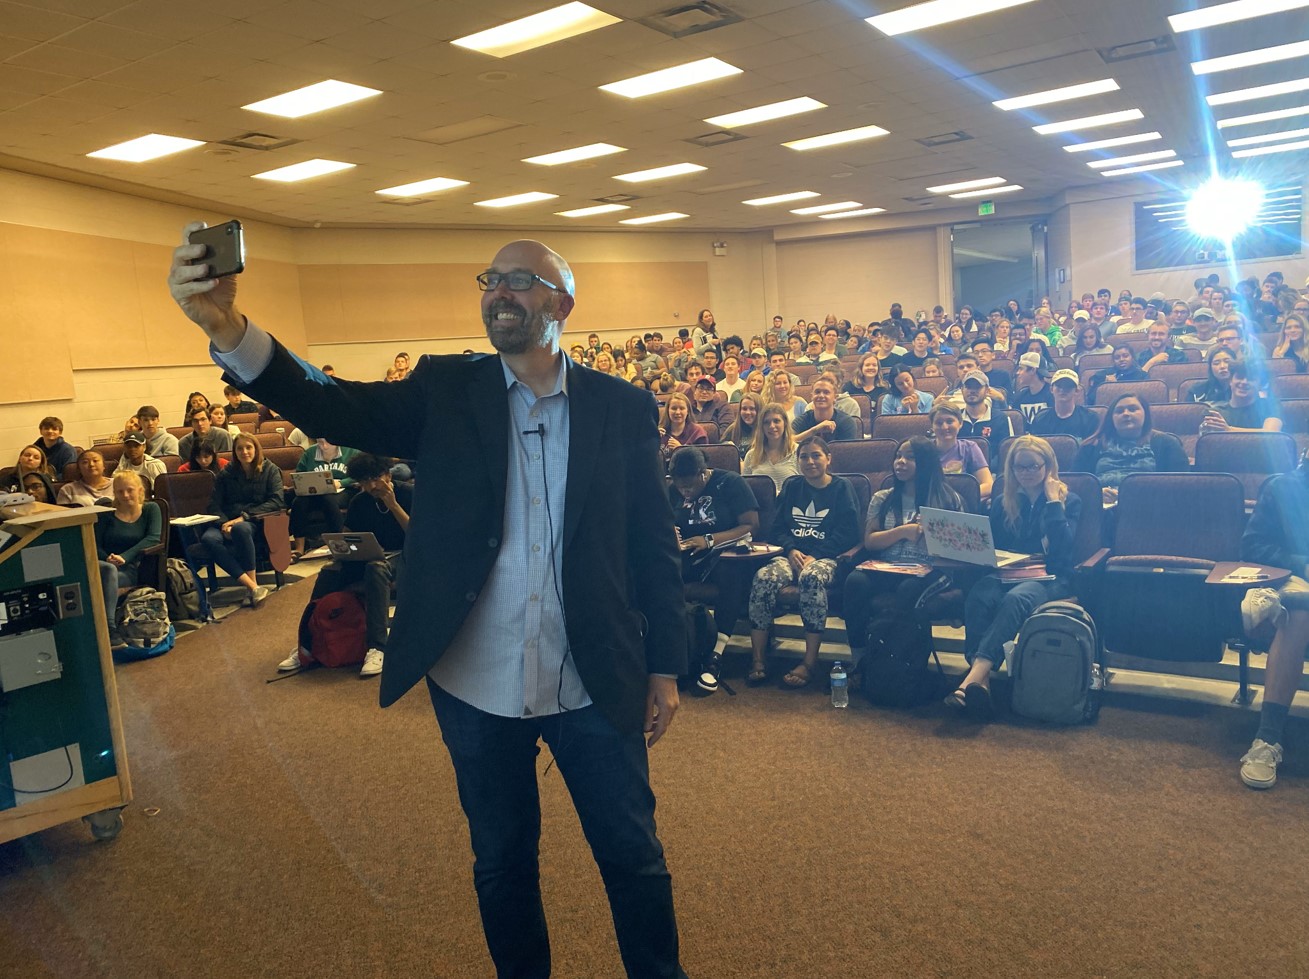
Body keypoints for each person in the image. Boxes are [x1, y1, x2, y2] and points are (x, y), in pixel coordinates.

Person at [170, 227, 689, 978]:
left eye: (519, 279)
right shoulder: (446, 388)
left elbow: (652, 543)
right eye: (490, 278)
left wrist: (665, 666)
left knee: (632, 855)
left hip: (594, 674)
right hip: (476, 680)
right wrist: (229, 330)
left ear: (562, 303)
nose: (499, 291)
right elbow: (333, 405)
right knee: (501, 861)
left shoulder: (620, 406)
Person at [947, 436, 1082, 720]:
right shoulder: (1003, 501)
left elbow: (1064, 551)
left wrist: (1053, 502)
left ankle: (973, 678)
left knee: (1015, 599)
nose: (1027, 473)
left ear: (1048, 465)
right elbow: (992, 545)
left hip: (1051, 577)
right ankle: (979, 685)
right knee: (980, 596)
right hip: (1008, 572)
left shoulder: (1069, 501)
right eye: (1020, 467)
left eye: (1033, 466)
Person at [279, 453, 410, 678]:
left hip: (404, 556)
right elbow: (349, 534)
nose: (370, 486)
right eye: (364, 481)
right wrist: (339, 546)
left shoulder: (407, 492)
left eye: (374, 479)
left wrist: (393, 505)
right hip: (369, 555)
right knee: (329, 572)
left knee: (376, 569)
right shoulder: (360, 500)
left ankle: (377, 646)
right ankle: (308, 645)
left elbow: (418, 536)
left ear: (387, 475)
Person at [745, 436, 861, 688]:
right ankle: (758, 659)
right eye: (804, 456)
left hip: (826, 558)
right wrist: (790, 550)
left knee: (811, 578)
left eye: (816, 455)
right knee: (764, 577)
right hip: (791, 554)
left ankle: (809, 663)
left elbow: (849, 532)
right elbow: (777, 528)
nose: (810, 461)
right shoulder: (792, 486)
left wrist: (816, 555)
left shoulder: (842, 488)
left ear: (828, 459)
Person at [842, 437, 964, 664]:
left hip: (931, 570)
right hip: (887, 567)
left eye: (910, 457)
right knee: (855, 581)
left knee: (909, 589)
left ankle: (900, 662)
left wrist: (931, 536)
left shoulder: (948, 499)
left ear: (926, 462)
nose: (901, 462)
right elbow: (870, 541)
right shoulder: (883, 498)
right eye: (898, 456)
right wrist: (904, 531)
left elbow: (957, 551)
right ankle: (859, 659)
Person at [1236, 454, 1309, 789]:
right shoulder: (1283, 488)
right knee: (1298, 608)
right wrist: (1302, 564)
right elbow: (1252, 545)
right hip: (1299, 579)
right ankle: (1267, 739)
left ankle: (1268, 603)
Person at [666, 447, 759, 694]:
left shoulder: (729, 483)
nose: (684, 491)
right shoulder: (671, 490)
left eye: (690, 486)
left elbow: (751, 525)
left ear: (703, 474)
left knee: (732, 572)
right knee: (656, 569)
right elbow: (665, 522)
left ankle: (715, 657)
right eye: (679, 486)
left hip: (723, 555)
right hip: (688, 556)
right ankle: (673, 650)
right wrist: (669, 535)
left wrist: (708, 539)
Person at [200, 433, 282, 607]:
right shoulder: (226, 473)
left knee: (241, 529)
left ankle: (250, 587)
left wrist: (242, 518)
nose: (244, 452)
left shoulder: (270, 469)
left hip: (255, 520)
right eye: (240, 448)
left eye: (248, 447)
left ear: (256, 449)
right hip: (225, 522)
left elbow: (276, 501)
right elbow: (214, 504)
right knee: (208, 539)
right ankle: (252, 587)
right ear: (234, 452)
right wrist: (224, 523)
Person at [1073, 394, 1190, 506]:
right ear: (1111, 418)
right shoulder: (1091, 445)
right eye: (1119, 411)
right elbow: (1076, 484)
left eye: (1133, 409)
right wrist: (1096, 493)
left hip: (1152, 507)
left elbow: (1180, 485)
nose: (1126, 414)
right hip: (1101, 508)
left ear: (1145, 414)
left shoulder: (1166, 443)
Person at [94, 470, 162, 641]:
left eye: (129, 490)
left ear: (140, 490)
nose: (125, 495)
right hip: (103, 565)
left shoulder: (150, 509)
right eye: (119, 491)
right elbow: (94, 544)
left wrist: (124, 557)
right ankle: (109, 627)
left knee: (109, 573)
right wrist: (108, 557)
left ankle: (108, 628)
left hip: (130, 568)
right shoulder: (106, 515)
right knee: (107, 569)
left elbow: (153, 538)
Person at [289, 437, 360, 558]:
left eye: (328, 442)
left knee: (328, 499)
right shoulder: (310, 453)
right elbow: (299, 474)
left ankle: (338, 543)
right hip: (314, 493)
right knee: (298, 502)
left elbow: (358, 474)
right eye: (320, 443)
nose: (324, 446)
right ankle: (299, 548)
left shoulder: (350, 451)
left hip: (342, 491)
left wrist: (341, 483)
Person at [930, 403, 992, 501]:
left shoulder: (970, 448)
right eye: (939, 423)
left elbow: (988, 485)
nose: (945, 427)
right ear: (932, 426)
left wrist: (956, 497)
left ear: (960, 423)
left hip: (962, 506)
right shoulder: (924, 449)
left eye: (950, 421)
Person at [1202, 363, 1282, 433]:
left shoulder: (1270, 406)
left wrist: (1229, 430)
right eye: (1239, 377)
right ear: (1230, 381)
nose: (1244, 382)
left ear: (1260, 385)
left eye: (1251, 379)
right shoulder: (1215, 413)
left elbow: (1272, 433)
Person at [744, 403, 800, 492]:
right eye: (766, 422)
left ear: (785, 423)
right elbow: (745, 491)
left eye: (776, 421)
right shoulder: (751, 455)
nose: (772, 426)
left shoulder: (798, 452)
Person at [1029, 369, 1099, 440]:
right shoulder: (1040, 419)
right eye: (1059, 386)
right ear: (1051, 389)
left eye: (1068, 386)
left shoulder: (1090, 418)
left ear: (1076, 391)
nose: (1062, 390)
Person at [794, 376, 858, 441]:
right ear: (812, 396)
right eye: (817, 392)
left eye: (826, 392)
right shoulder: (802, 420)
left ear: (835, 397)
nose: (821, 395)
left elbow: (847, 450)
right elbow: (787, 442)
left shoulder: (846, 422)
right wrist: (814, 430)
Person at [1012, 351, 1054, 425]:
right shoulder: (1019, 397)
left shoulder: (1052, 395)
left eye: (1021, 369)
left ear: (1033, 370)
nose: (1018, 372)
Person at [721, 392, 761, 459]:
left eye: (752, 409)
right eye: (744, 409)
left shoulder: (766, 430)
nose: (748, 412)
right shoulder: (732, 429)